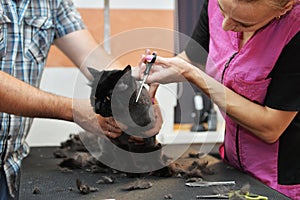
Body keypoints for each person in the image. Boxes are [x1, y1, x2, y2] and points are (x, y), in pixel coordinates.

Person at [137, 0, 300, 198]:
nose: (225, 26)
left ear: (285, 7)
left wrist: (193, 75)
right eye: (223, 11)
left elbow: (270, 128)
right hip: (234, 169)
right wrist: (160, 69)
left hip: (282, 181)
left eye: (244, 24)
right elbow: (193, 59)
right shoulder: (215, 2)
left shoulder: (295, 34)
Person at [0, 0, 162, 199]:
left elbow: (91, 56)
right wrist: (73, 111)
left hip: (14, 164)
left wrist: (137, 98)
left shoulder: (52, 3)